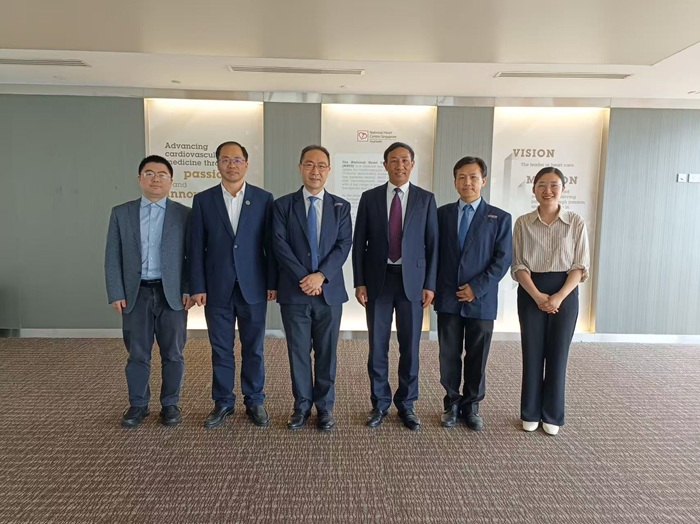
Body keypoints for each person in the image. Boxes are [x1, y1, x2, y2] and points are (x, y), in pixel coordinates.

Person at [189, 141, 277, 429]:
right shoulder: (203, 200)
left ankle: (255, 400)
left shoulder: (263, 199)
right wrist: (197, 285)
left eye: (237, 160)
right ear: (217, 164)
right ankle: (223, 401)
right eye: (225, 160)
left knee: (254, 348)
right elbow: (196, 246)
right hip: (217, 288)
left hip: (254, 286)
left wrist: (272, 282)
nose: (231, 165)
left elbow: (271, 246)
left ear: (247, 164)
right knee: (221, 348)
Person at [352, 141, 438, 431]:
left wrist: (430, 284)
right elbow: (359, 243)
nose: (399, 165)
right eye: (394, 160)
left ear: (412, 164)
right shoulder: (370, 197)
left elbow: (433, 245)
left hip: (412, 282)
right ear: (385, 164)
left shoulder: (426, 199)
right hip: (378, 281)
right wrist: (359, 281)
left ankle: (407, 404)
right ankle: (379, 404)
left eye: (405, 160)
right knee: (377, 346)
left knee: (410, 347)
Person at [105, 155, 192, 428]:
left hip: (172, 295)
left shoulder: (184, 214)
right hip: (136, 293)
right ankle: (138, 405)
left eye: (162, 174)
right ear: (140, 179)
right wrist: (116, 291)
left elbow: (192, 257)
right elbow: (112, 256)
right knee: (138, 354)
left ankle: (170, 404)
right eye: (150, 173)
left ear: (171, 181)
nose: (156, 179)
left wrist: (189, 289)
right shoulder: (121, 213)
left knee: (173, 353)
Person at [272, 145, 352, 431]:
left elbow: (344, 245)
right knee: (298, 352)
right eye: (309, 164)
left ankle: (325, 407)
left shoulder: (341, 207)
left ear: (328, 170)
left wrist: (321, 276)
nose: (315, 171)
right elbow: (279, 245)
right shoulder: (283, 205)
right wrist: (305, 278)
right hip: (294, 293)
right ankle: (302, 406)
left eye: (321, 166)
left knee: (327, 353)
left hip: (329, 293)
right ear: (300, 168)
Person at [434, 156, 512, 431]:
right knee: (449, 354)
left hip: (481, 299)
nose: (467, 182)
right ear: (455, 181)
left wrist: (476, 288)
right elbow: (433, 254)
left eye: (473, 177)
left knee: (477, 356)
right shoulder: (441, 215)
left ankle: (472, 406)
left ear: (484, 181)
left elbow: (503, 260)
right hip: (448, 297)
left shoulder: (499, 218)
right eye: (462, 177)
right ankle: (451, 404)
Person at [511, 167, 590, 436]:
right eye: (542, 185)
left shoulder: (575, 222)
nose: (548, 190)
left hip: (565, 292)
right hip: (531, 290)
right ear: (534, 189)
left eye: (554, 185)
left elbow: (580, 265)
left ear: (563, 189)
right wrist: (537, 295)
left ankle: (552, 414)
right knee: (532, 353)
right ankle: (530, 412)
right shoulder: (523, 223)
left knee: (558, 355)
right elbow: (518, 265)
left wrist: (559, 296)